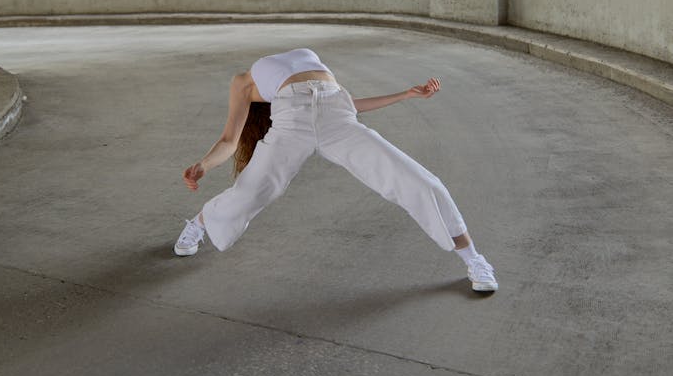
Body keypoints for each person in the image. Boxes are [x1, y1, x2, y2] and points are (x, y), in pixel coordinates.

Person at [174, 47, 498, 292]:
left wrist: (405, 95)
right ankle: (199, 223)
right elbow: (230, 140)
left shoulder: (308, 57)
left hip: (337, 115)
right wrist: (201, 165)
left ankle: (474, 261)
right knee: (251, 192)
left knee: (416, 179)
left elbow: (348, 104)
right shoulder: (242, 82)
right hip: (290, 123)